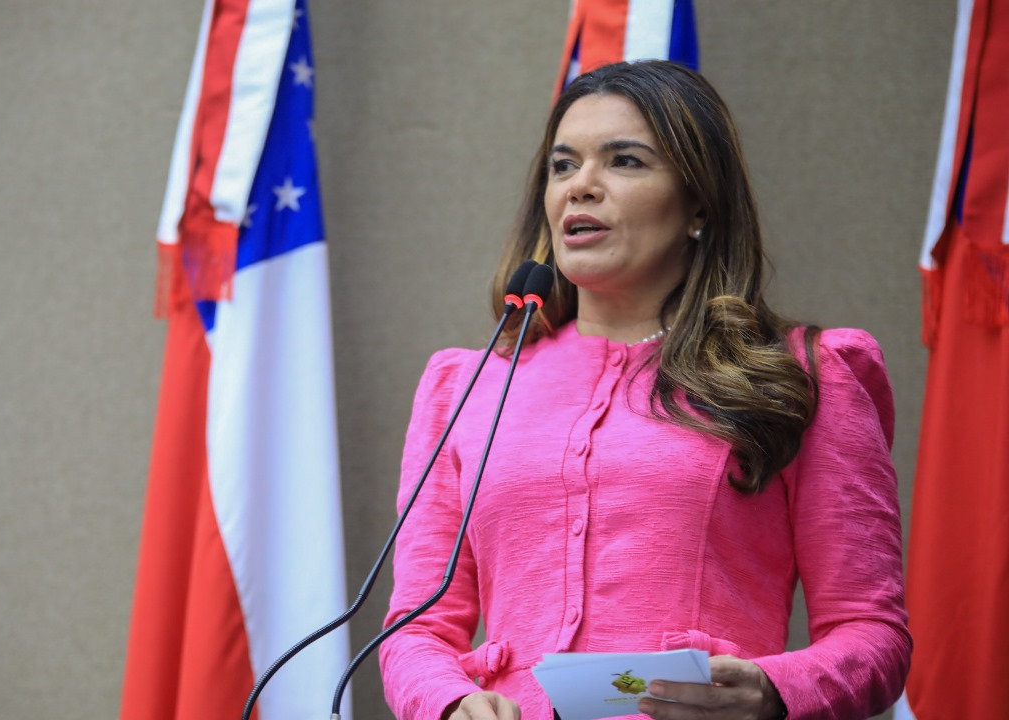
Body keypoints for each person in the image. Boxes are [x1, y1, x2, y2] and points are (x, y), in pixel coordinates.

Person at [378, 60, 910, 720]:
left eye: (624, 162)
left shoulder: (804, 374)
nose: (581, 187)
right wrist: (450, 704)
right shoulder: (469, 385)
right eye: (563, 165)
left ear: (698, 203)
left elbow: (872, 633)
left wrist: (774, 692)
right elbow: (416, 628)